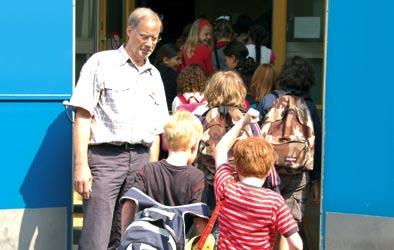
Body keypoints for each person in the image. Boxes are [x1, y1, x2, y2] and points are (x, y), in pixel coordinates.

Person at [69, 7, 168, 250]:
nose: (149, 43)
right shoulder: (101, 63)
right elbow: (83, 115)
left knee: (130, 234)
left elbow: (156, 130)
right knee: (96, 235)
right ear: (129, 30)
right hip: (105, 159)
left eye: (154, 38)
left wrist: (151, 171)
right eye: (145, 36)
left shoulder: (154, 75)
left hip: (141, 161)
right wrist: (81, 165)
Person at [214, 108, 303, 250]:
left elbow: (221, 149)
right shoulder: (274, 202)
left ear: (237, 166)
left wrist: (243, 121)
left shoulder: (225, 186)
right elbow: (297, 245)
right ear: (269, 171)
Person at [258, 56, 322, 250]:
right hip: (298, 174)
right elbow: (315, 145)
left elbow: (256, 136)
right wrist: (316, 180)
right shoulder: (309, 106)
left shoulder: (269, 99)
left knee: (267, 221)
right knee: (289, 225)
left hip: (269, 172)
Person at [120, 110, 208, 237]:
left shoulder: (148, 170)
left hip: (146, 241)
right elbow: (199, 221)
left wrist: (125, 237)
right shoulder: (197, 177)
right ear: (194, 145)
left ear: (165, 141)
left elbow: (129, 204)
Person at [154, 43, 182, 111]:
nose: (180, 62)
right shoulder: (173, 75)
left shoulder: (153, 71)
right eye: (177, 59)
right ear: (166, 60)